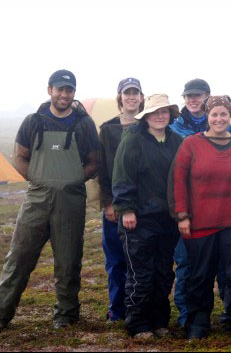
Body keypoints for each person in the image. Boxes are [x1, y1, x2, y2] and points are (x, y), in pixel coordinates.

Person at [0, 70, 100, 335]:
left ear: (73, 93)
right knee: (18, 258)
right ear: (49, 90)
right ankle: (0, 315)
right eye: (60, 89)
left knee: (68, 261)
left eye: (69, 90)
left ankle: (66, 315)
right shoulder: (33, 121)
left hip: (70, 202)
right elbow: (20, 156)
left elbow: (94, 161)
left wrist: (71, 179)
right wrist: (38, 179)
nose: (64, 94)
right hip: (36, 199)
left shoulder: (83, 124)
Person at [172, 96, 231, 338]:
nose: (219, 119)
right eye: (214, 114)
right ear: (207, 117)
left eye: (223, 114)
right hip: (200, 223)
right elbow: (179, 182)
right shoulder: (191, 144)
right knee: (200, 274)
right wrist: (182, 215)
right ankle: (198, 323)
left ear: (229, 116)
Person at [111, 94, 183, 338]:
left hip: (167, 219)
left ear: (171, 115)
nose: (160, 116)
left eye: (165, 112)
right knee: (141, 273)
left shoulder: (177, 141)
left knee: (163, 272)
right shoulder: (133, 138)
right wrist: (126, 209)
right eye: (155, 112)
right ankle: (138, 324)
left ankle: (159, 321)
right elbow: (122, 175)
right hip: (138, 219)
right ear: (146, 116)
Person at [97, 77, 144, 323]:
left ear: (141, 97)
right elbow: (102, 170)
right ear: (120, 98)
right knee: (116, 259)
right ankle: (117, 309)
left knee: (140, 260)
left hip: (143, 205)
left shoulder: (148, 125)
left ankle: (139, 305)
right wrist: (107, 203)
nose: (132, 97)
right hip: (115, 205)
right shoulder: (108, 129)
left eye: (136, 93)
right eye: (127, 93)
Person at [168, 78, 211, 328]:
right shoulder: (174, 130)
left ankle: (227, 314)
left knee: (220, 264)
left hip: (212, 206)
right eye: (188, 96)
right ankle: (186, 315)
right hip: (185, 207)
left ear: (207, 96)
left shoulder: (218, 122)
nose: (193, 100)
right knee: (184, 262)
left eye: (198, 95)